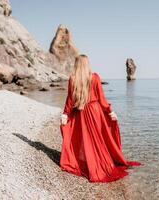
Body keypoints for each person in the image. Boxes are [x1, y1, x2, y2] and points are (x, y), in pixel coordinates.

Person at [59, 54, 141, 182]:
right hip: (95, 111)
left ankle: (89, 162)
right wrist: (110, 111)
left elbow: (70, 100)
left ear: (76, 64)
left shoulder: (73, 79)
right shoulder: (95, 77)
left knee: (86, 140)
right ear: (87, 64)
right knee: (98, 138)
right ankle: (101, 163)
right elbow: (102, 99)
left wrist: (65, 114)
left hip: (81, 113)